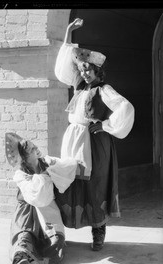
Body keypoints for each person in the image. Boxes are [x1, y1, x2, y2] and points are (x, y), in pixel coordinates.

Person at [54, 18, 135, 251]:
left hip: (95, 144)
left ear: (98, 71)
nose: (84, 72)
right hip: (74, 140)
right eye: (82, 69)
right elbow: (64, 67)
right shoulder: (79, 86)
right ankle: (60, 229)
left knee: (95, 186)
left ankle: (98, 234)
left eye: (89, 69)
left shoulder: (104, 89)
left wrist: (106, 125)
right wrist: (68, 31)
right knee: (71, 182)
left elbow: (125, 107)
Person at [5, 132, 78, 264]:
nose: (36, 149)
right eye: (32, 149)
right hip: (28, 212)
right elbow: (36, 196)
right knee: (25, 237)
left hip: (48, 211)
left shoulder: (46, 161)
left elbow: (67, 166)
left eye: (34, 146)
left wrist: (53, 171)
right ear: (24, 157)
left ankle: (29, 261)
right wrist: (46, 175)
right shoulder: (21, 174)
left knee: (56, 241)